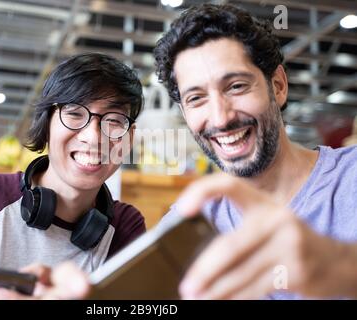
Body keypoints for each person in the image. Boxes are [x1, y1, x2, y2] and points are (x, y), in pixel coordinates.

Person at [152, 3, 357, 299]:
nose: (221, 118)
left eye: (236, 86)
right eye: (197, 98)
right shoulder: (185, 228)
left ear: (278, 85)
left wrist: (337, 268)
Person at [0, 53, 145, 299]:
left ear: (129, 137)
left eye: (114, 120)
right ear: (47, 122)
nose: (93, 137)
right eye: (75, 114)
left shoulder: (125, 227)